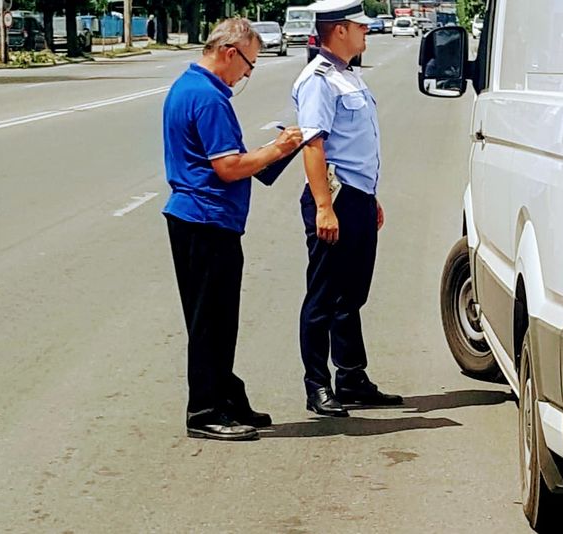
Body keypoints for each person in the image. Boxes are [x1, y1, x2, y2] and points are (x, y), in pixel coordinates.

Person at [162, 18, 303, 441]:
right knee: (211, 321)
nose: (247, 74)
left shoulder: (190, 87)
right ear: (229, 52)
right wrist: (277, 149)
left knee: (218, 319)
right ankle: (205, 410)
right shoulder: (208, 98)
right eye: (249, 64)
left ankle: (226, 394)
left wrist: (272, 153)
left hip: (200, 217)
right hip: (206, 219)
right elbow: (228, 167)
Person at [292, 0, 403, 417]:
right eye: (361, 27)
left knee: (352, 294)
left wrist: (368, 197)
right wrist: (325, 206)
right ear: (339, 30)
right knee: (323, 296)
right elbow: (313, 146)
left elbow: (354, 148)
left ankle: (352, 376)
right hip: (334, 198)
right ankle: (317, 385)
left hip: (357, 197)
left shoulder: (347, 75)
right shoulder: (318, 80)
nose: (366, 32)